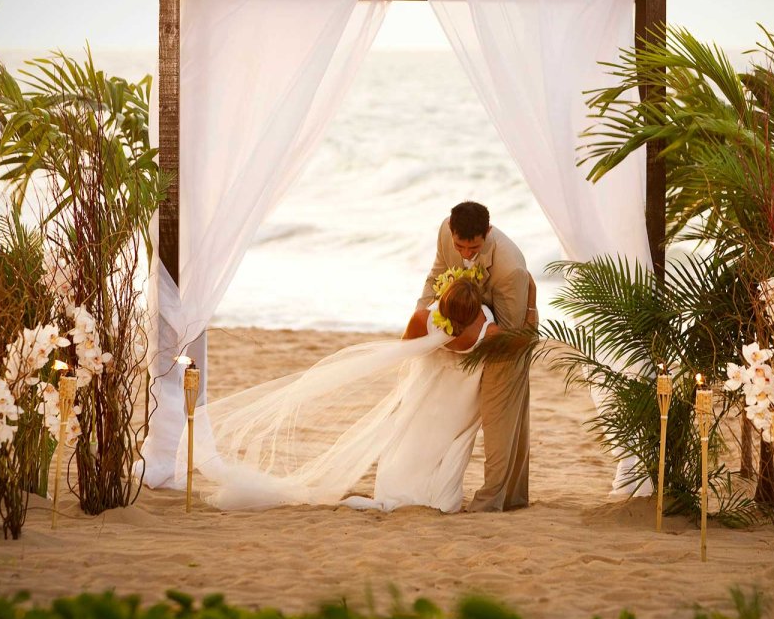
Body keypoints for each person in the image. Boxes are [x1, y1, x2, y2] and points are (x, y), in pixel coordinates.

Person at [182, 273, 518, 514]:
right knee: (424, 447)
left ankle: (412, 495)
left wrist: (438, 349)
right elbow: (522, 345)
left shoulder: (426, 319)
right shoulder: (488, 333)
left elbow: (404, 354)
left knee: (424, 445)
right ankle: (410, 497)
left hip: (443, 398)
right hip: (446, 398)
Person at [413, 201, 535, 512]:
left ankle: (492, 500)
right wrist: (422, 317)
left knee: (499, 420)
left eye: (474, 248)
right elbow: (436, 275)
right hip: (466, 326)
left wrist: (476, 333)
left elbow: (512, 333)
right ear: (451, 232)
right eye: (460, 246)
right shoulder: (445, 232)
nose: (466, 254)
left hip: (506, 340)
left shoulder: (510, 269)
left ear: (488, 234)